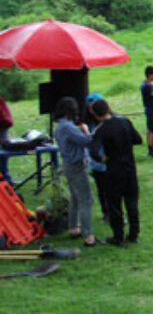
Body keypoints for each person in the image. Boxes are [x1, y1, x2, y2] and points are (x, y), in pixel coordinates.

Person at [88, 99, 143, 246]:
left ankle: (118, 237)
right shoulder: (124, 122)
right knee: (132, 202)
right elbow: (138, 139)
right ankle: (134, 234)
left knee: (114, 204)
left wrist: (101, 158)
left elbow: (92, 149)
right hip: (129, 168)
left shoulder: (101, 129)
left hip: (113, 170)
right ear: (108, 108)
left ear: (95, 114)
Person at [53, 97, 99, 246]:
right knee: (86, 199)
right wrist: (86, 131)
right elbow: (87, 141)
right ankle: (88, 236)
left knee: (74, 197)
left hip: (67, 164)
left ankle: (73, 228)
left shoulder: (60, 126)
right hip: (77, 165)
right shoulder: (68, 127)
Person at [83, 94, 109, 224]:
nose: (92, 112)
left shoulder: (110, 122)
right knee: (102, 190)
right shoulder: (87, 123)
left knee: (112, 190)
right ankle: (106, 213)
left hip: (109, 161)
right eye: (89, 109)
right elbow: (90, 144)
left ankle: (114, 213)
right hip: (96, 163)